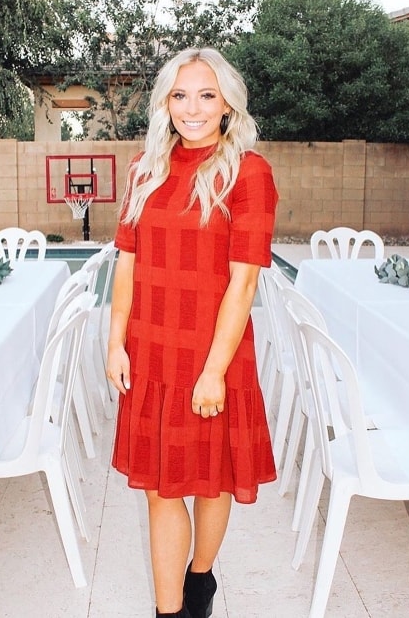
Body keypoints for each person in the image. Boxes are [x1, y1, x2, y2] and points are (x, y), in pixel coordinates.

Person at [106, 47, 278, 618]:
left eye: (206, 95)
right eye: (180, 95)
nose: (192, 108)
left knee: (211, 482)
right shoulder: (144, 169)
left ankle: (200, 577)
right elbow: (125, 262)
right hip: (150, 354)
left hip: (214, 356)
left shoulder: (247, 173)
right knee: (160, 491)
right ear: (165, 103)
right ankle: (169, 611)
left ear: (227, 102)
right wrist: (115, 342)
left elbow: (244, 283)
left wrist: (212, 372)